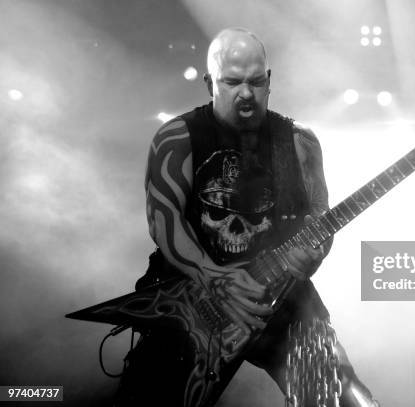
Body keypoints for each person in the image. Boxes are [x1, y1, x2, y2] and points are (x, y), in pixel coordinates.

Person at [115, 27, 378, 407]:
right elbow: (163, 219)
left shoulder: (299, 142)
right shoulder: (178, 138)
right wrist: (213, 276)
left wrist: (315, 250)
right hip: (192, 299)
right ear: (210, 83)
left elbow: (318, 216)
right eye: (232, 82)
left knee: (345, 400)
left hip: (282, 296)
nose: (246, 93)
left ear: (269, 81)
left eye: (256, 82)